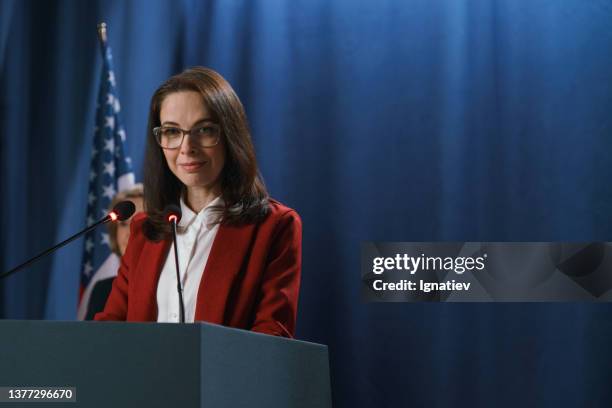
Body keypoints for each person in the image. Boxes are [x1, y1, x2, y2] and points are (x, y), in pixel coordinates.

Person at [95, 67, 302, 338]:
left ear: (230, 135)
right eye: (172, 131)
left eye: (204, 130)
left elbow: (271, 337)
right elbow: (110, 328)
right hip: (139, 380)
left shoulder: (275, 226)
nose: (186, 147)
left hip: (226, 380)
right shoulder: (145, 230)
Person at [80, 184, 144, 320]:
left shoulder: (169, 284)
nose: (129, 233)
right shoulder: (102, 289)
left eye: (138, 223)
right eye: (123, 224)